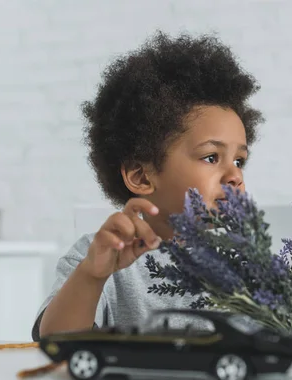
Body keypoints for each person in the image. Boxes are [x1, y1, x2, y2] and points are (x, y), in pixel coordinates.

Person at [32, 30, 264, 341]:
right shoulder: (97, 258)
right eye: (211, 157)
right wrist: (91, 276)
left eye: (239, 161)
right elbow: (55, 343)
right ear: (141, 177)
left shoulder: (244, 262)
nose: (235, 175)